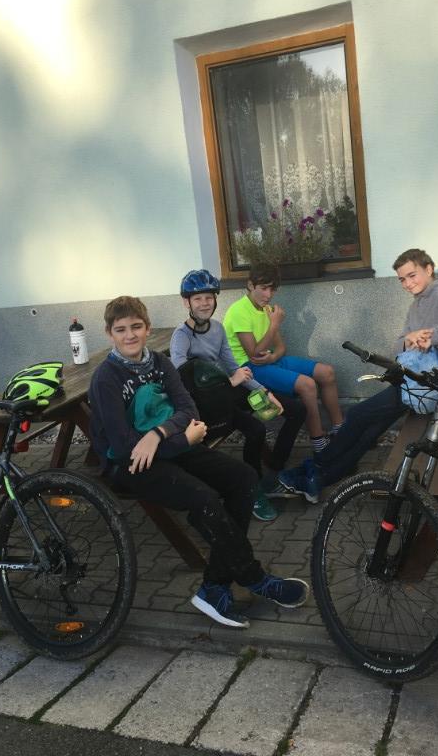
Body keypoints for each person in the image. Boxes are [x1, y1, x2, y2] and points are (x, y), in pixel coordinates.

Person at [88, 295, 308, 629]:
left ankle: (215, 586)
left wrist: (158, 433)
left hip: (170, 446)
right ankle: (253, 577)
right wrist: (178, 439)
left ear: (147, 328)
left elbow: (187, 408)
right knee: (204, 499)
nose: (130, 335)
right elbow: (122, 447)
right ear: (109, 334)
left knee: (243, 478)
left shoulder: (159, 363)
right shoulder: (106, 378)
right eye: (121, 330)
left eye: (136, 327)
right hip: (131, 466)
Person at [274, 248, 438, 502]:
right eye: (402, 279)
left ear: (429, 269)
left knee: (358, 415)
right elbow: (398, 345)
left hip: (430, 384)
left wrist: (433, 335)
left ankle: (317, 466)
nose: (407, 284)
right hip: (415, 380)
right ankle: (326, 475)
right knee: (371, 428)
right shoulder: (418, 303)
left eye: (412, 275)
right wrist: (408, 340)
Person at [170, 269, 306, 522]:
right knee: (253, 430)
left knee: (279, 416)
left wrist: (263, 392)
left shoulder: (217, 329)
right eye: (197, 299)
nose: (204, 303)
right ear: (186, 302)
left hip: (223, 395)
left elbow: (233, 367)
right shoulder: (181, 336)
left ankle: (264, 480)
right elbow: (181, 379)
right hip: (200, 408)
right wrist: (229, 382)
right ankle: (249, 492)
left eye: (209, 298)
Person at [222, 262, 344, 455]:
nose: (268, 295)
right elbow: (253, 354)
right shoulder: (239, 311)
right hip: (246, 369)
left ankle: (340, 429)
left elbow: (281, 348)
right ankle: (319, 442)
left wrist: (272, 358)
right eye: (264, 288)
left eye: (272, 289)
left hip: (267, 361)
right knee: (307, 385)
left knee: (326, 372)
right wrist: (274, 325)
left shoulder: (266, 309)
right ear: (251, 285)